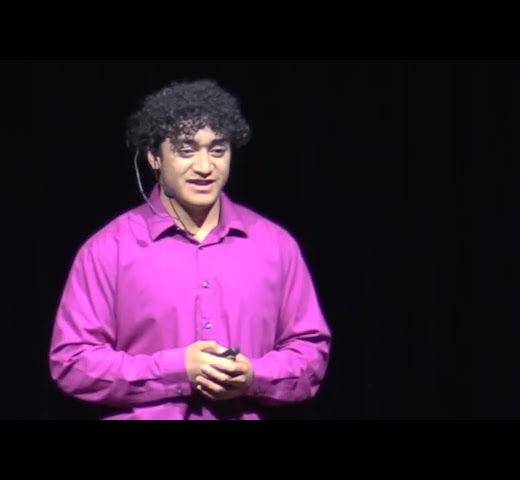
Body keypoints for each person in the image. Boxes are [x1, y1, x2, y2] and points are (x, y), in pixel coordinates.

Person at [49, 79, 332, 420]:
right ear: (154, 157)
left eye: (217, 150)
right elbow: (73, 363)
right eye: (186, 151)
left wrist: (254, 377)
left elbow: (310, 354)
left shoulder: (274, 245)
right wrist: (176, 369)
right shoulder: (109, 249)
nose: (204, 166)